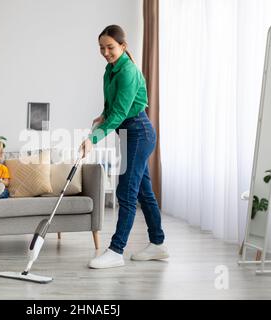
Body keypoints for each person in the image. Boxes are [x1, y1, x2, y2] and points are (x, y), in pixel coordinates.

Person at [80, 25, 168, 269]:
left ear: (123, 46)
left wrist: (93, 139)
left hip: (139, 132)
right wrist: (102, 115)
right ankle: (158, 244)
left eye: (110, 47)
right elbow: (114, 106)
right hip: (129, 133)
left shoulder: (127, 71)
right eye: (102, 48)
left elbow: (120, 113)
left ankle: (116, 251)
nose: (106, 52)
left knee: (126, 192)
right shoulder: (110, 70)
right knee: (143, 191)